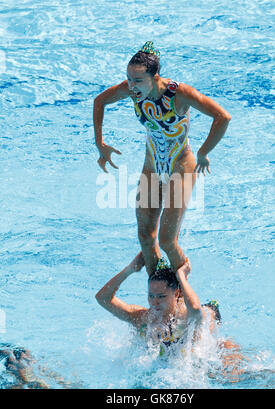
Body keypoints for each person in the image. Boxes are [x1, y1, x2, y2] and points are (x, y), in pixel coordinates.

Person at [93, 41, 231, 275]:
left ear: (155, 77)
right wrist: (100, 144)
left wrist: (204, 152)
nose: (131, 86)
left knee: (167, 241)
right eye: (128, 79)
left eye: (137, 80)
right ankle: (159, 297)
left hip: (181, 165)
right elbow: (100, 101)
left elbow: (222, 117)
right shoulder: (131, 90)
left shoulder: (179, 94)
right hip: (152, 164)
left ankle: (181, 294)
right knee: (145, 236)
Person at [95, 252, 240, 363]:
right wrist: (129, 269)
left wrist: (181, 276)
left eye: (161, 296)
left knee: (226, 358)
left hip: (208, 315)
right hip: (182, 306)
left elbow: (195, 309)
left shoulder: (187, 318)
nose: (154, 302)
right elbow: (102, 298)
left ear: (176, 293)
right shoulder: (142, 318)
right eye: (151, 296)